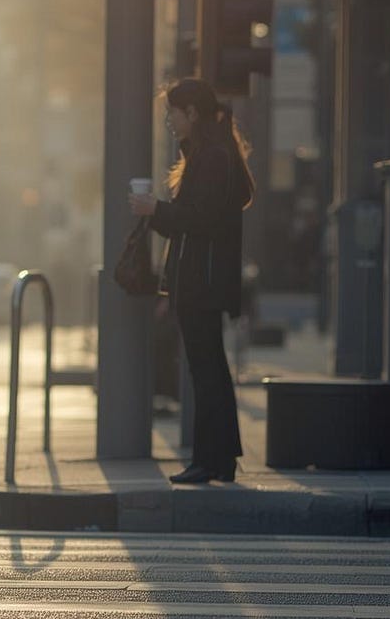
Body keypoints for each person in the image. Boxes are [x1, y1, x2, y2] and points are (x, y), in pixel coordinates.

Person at [129, 78, 255, 484]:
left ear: (192, 114)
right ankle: (219, 459)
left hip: (202, 282)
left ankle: (209, 460)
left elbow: (202, 221)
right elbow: (189, 224)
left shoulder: (213, 159)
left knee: (206, 372)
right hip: (199, 279)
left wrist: (157, 210)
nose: (169, 120)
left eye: (173, 112)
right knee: (209, 370)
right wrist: (154, 213)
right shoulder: (206, 155)